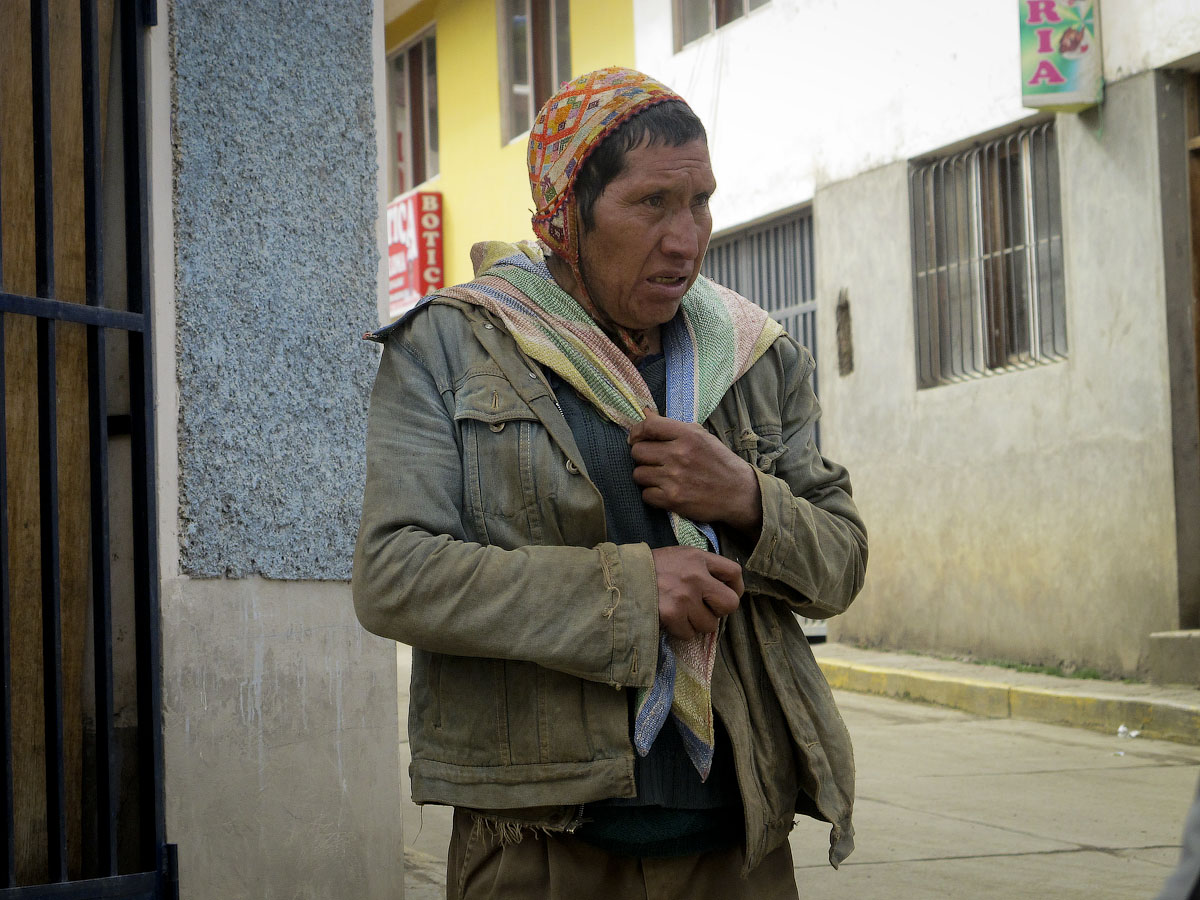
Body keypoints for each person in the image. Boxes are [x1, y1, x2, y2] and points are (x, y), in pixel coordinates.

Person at [353, 66, 867, 900]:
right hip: (540, 845)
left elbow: (841, 564)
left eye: (700, 202)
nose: (685, 238)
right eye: (652, 203)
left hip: (735, 842)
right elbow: (395, 576)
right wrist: (632, 591)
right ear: (566, 215)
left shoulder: (753, 356)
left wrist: (744, 496)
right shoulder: (452, 347)